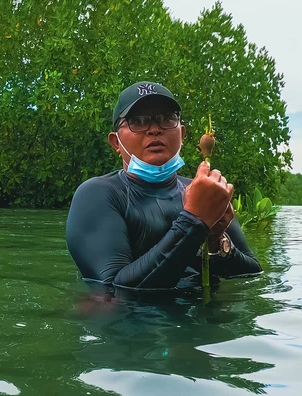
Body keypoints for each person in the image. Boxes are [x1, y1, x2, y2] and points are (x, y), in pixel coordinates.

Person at [66, 82, 262, 289]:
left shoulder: (206, 194)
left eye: (167, 118)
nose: (155, 129)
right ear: (116, 142)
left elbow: (252, 273)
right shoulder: (97, 194)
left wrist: (216, 243)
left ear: (182, 134)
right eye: (138, 121)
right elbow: (115, 290)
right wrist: (194, 221)